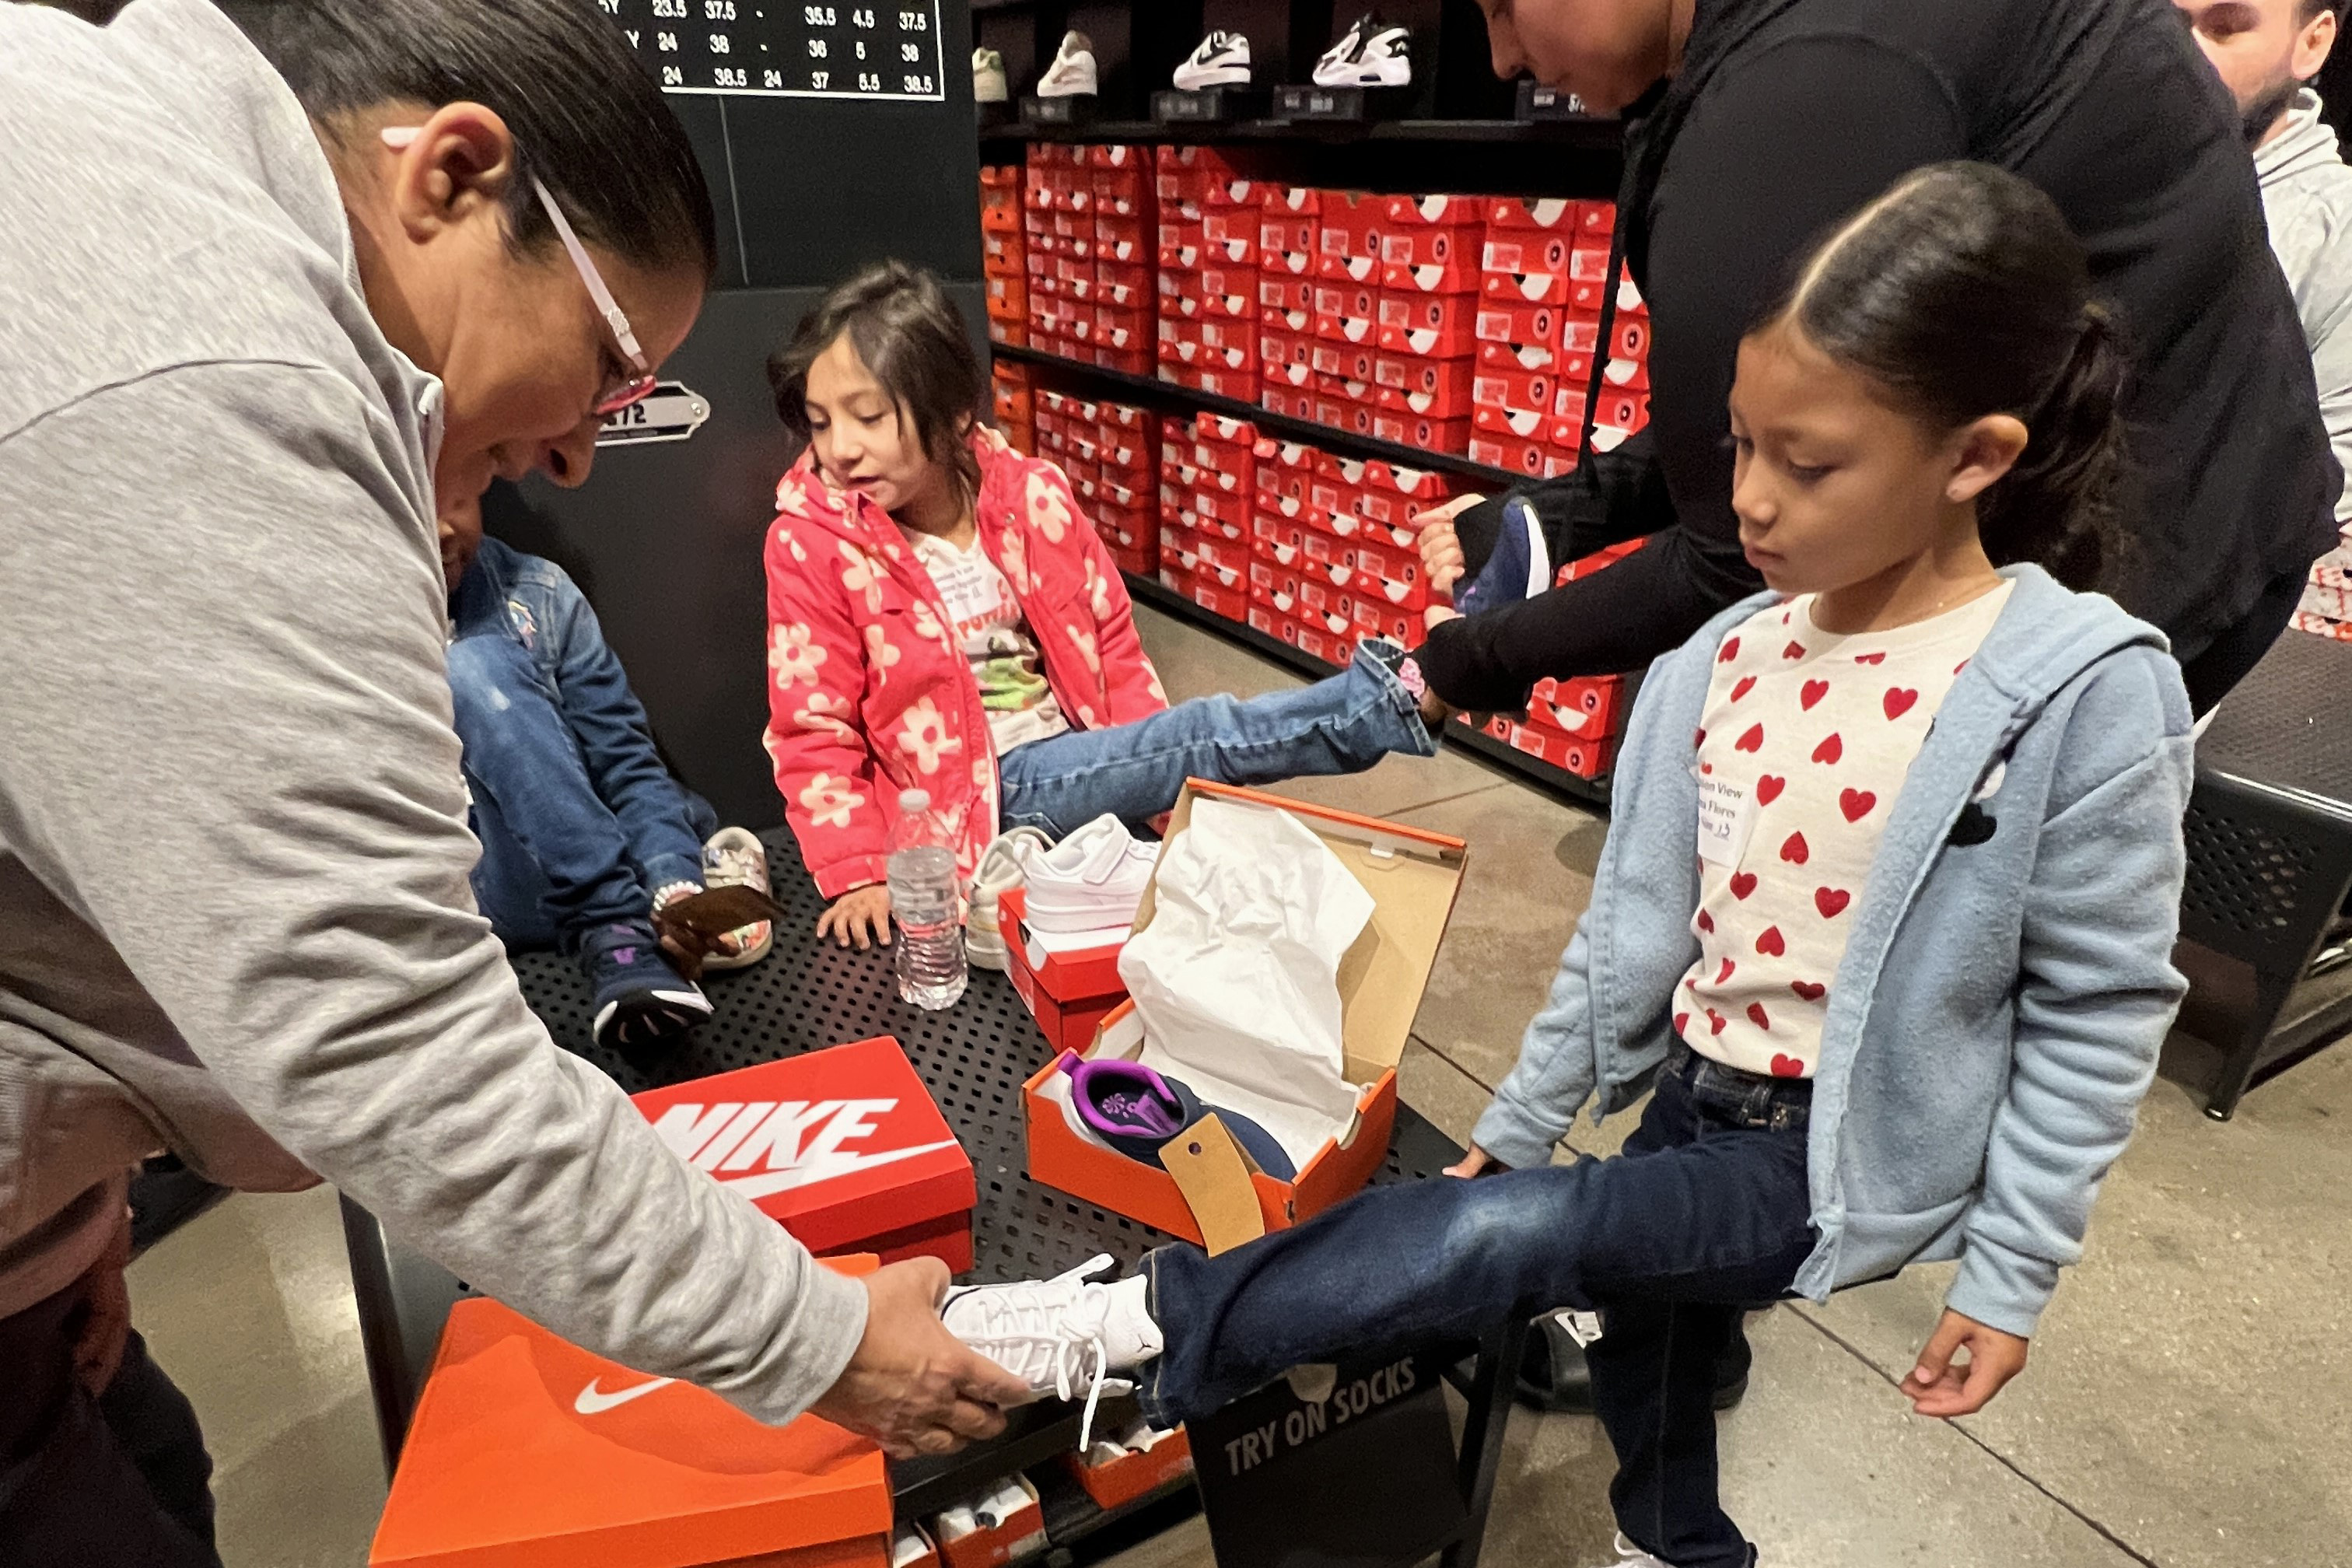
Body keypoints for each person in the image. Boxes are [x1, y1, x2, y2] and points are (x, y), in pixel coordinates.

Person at [945, 165, 2196, 1568]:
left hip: (1838, 1155)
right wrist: (1529, 1113)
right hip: (1693, 1096)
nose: (1751, 504)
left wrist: (2013, 1270)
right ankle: (1676, 1541)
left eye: (1810, 462)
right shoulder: (1711, 663)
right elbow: (1629, 935)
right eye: (1735, 449)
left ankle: (1138, 1323)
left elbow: (2094, 1009)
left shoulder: (2074, 688)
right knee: (1650, 1334)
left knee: (1513, 1240)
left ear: (1971, 457)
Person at [0, 2, 1023, 1559]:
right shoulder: (214, 353)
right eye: (612, 372)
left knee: (148, 1457)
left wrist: (55, 1220)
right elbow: (393, 1043)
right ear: (455, 177)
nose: (581, 460)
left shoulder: (118, 192)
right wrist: (826, 1347)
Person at [1411, 0, 2334, 721]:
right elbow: (1783, 420)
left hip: (2152, 540)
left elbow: (1743, 556)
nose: (1501, 59)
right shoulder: (1791, 60)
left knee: (1936, 908)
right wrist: (1555, 516)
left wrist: (1482, 654)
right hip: (2114, 490)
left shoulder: (1810, 90)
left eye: (1503, 9)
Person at [761, 262, 1446, 951]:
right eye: (821, 423)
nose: (841, 449)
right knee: (1209, 734)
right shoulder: (811, 544)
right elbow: (812, 729)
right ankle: (1384, 706)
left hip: (1079, 758)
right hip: (976, 799)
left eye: (869, 417)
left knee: (1225, 836)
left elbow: (1111, 642)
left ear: (954, 411)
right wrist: (859, 872)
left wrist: (1156, 778)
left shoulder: (1032, 496)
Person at [439, 492, 772, 1056]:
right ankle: (616, 920)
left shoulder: (538, 596)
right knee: (470, 668)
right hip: (456, 900)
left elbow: (629, 769)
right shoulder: (317, 634)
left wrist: (673, 887)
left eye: (456, 496)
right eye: (412, 498)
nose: (444, 527)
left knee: (478, 665)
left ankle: (630, 927)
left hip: (591, 872)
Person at [2177, 0, 2352, 557]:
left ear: (2313, 42)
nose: (2187, 54)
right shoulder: (2072, 168)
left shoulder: (2336, 235)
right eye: (2165, 25)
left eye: (2226, 28)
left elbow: (2323, 495)